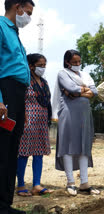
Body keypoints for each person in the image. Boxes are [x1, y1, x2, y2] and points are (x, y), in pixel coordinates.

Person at [0, 0, 35, 213]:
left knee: (12, 148)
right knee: (2, 149)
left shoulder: (15, 34)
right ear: (18, 7)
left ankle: (6, 203)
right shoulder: (1, 27)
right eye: (28, 12)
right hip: (6, 90)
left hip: (17, 95)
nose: (28, 17)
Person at [52, 50, 99, 196]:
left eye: (79, 62)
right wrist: (84, 90)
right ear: (67, 62)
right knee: (68, 145)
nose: (77, 65)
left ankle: (84, 183)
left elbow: (95, 92)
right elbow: (72, 89)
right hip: (68, 112)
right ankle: (70, 182)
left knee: (84, 145)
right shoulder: (63, 73)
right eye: (74, 62)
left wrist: (79, 92)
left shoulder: (85, 74)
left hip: (84, 114)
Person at [16, 54, 52, 197]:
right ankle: (20, 185)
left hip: (42, 122)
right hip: (28, 121)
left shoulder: (44, 83)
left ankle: (36, 184)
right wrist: (23, 117)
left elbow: (47, 102)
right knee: (24, 153)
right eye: (40, 65)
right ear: (31, 66)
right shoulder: (25, 81)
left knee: (39, 153)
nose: (42, 68)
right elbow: (20, 101)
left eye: (44, 65)